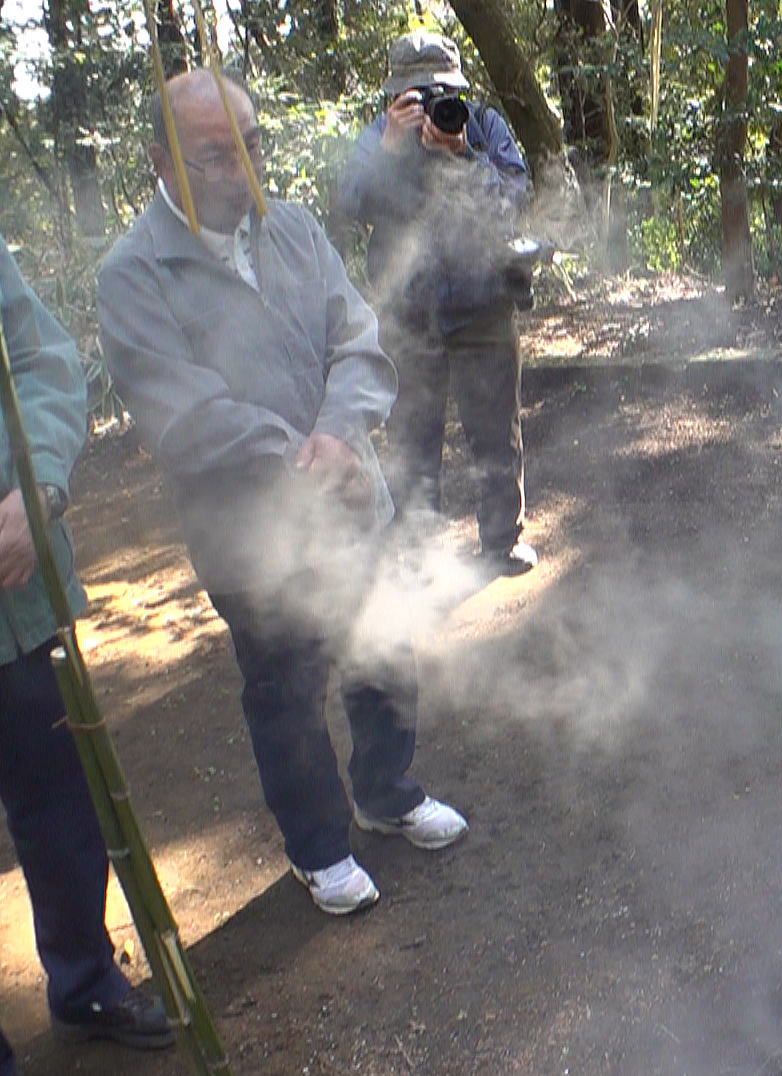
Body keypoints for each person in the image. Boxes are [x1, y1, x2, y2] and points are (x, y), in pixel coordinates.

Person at [97, 70, 468, 916]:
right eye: (213, 155)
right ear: (162, 161)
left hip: (351, 498)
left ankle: (386, 790)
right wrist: (296, 451)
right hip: (250, 535)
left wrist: (341, 429)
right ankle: (318, 845)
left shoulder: (294, 227)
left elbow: (358, 336)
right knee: (285, 684)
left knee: (382, 646)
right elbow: (177, 410)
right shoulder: (133, 272)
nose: (242, 169)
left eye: (252, 145)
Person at [1, 241, 174, 1069]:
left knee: (63, 806)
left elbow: (39, 358)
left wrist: (36, 484)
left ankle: (85, 980)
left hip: (22, 604)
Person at [338, 30, 536, 577]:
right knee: (413, 438)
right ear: (395, 97)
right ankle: (417, 555)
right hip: (409, 316)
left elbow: (514, 202)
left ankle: (501, 542)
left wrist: (465, 154)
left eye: (440, 91)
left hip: (484, 305)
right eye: (417, 95)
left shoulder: (480, 125)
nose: (431, 105)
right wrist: (388, 152)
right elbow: (349, 204)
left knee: (497, 433)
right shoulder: (380, 137)